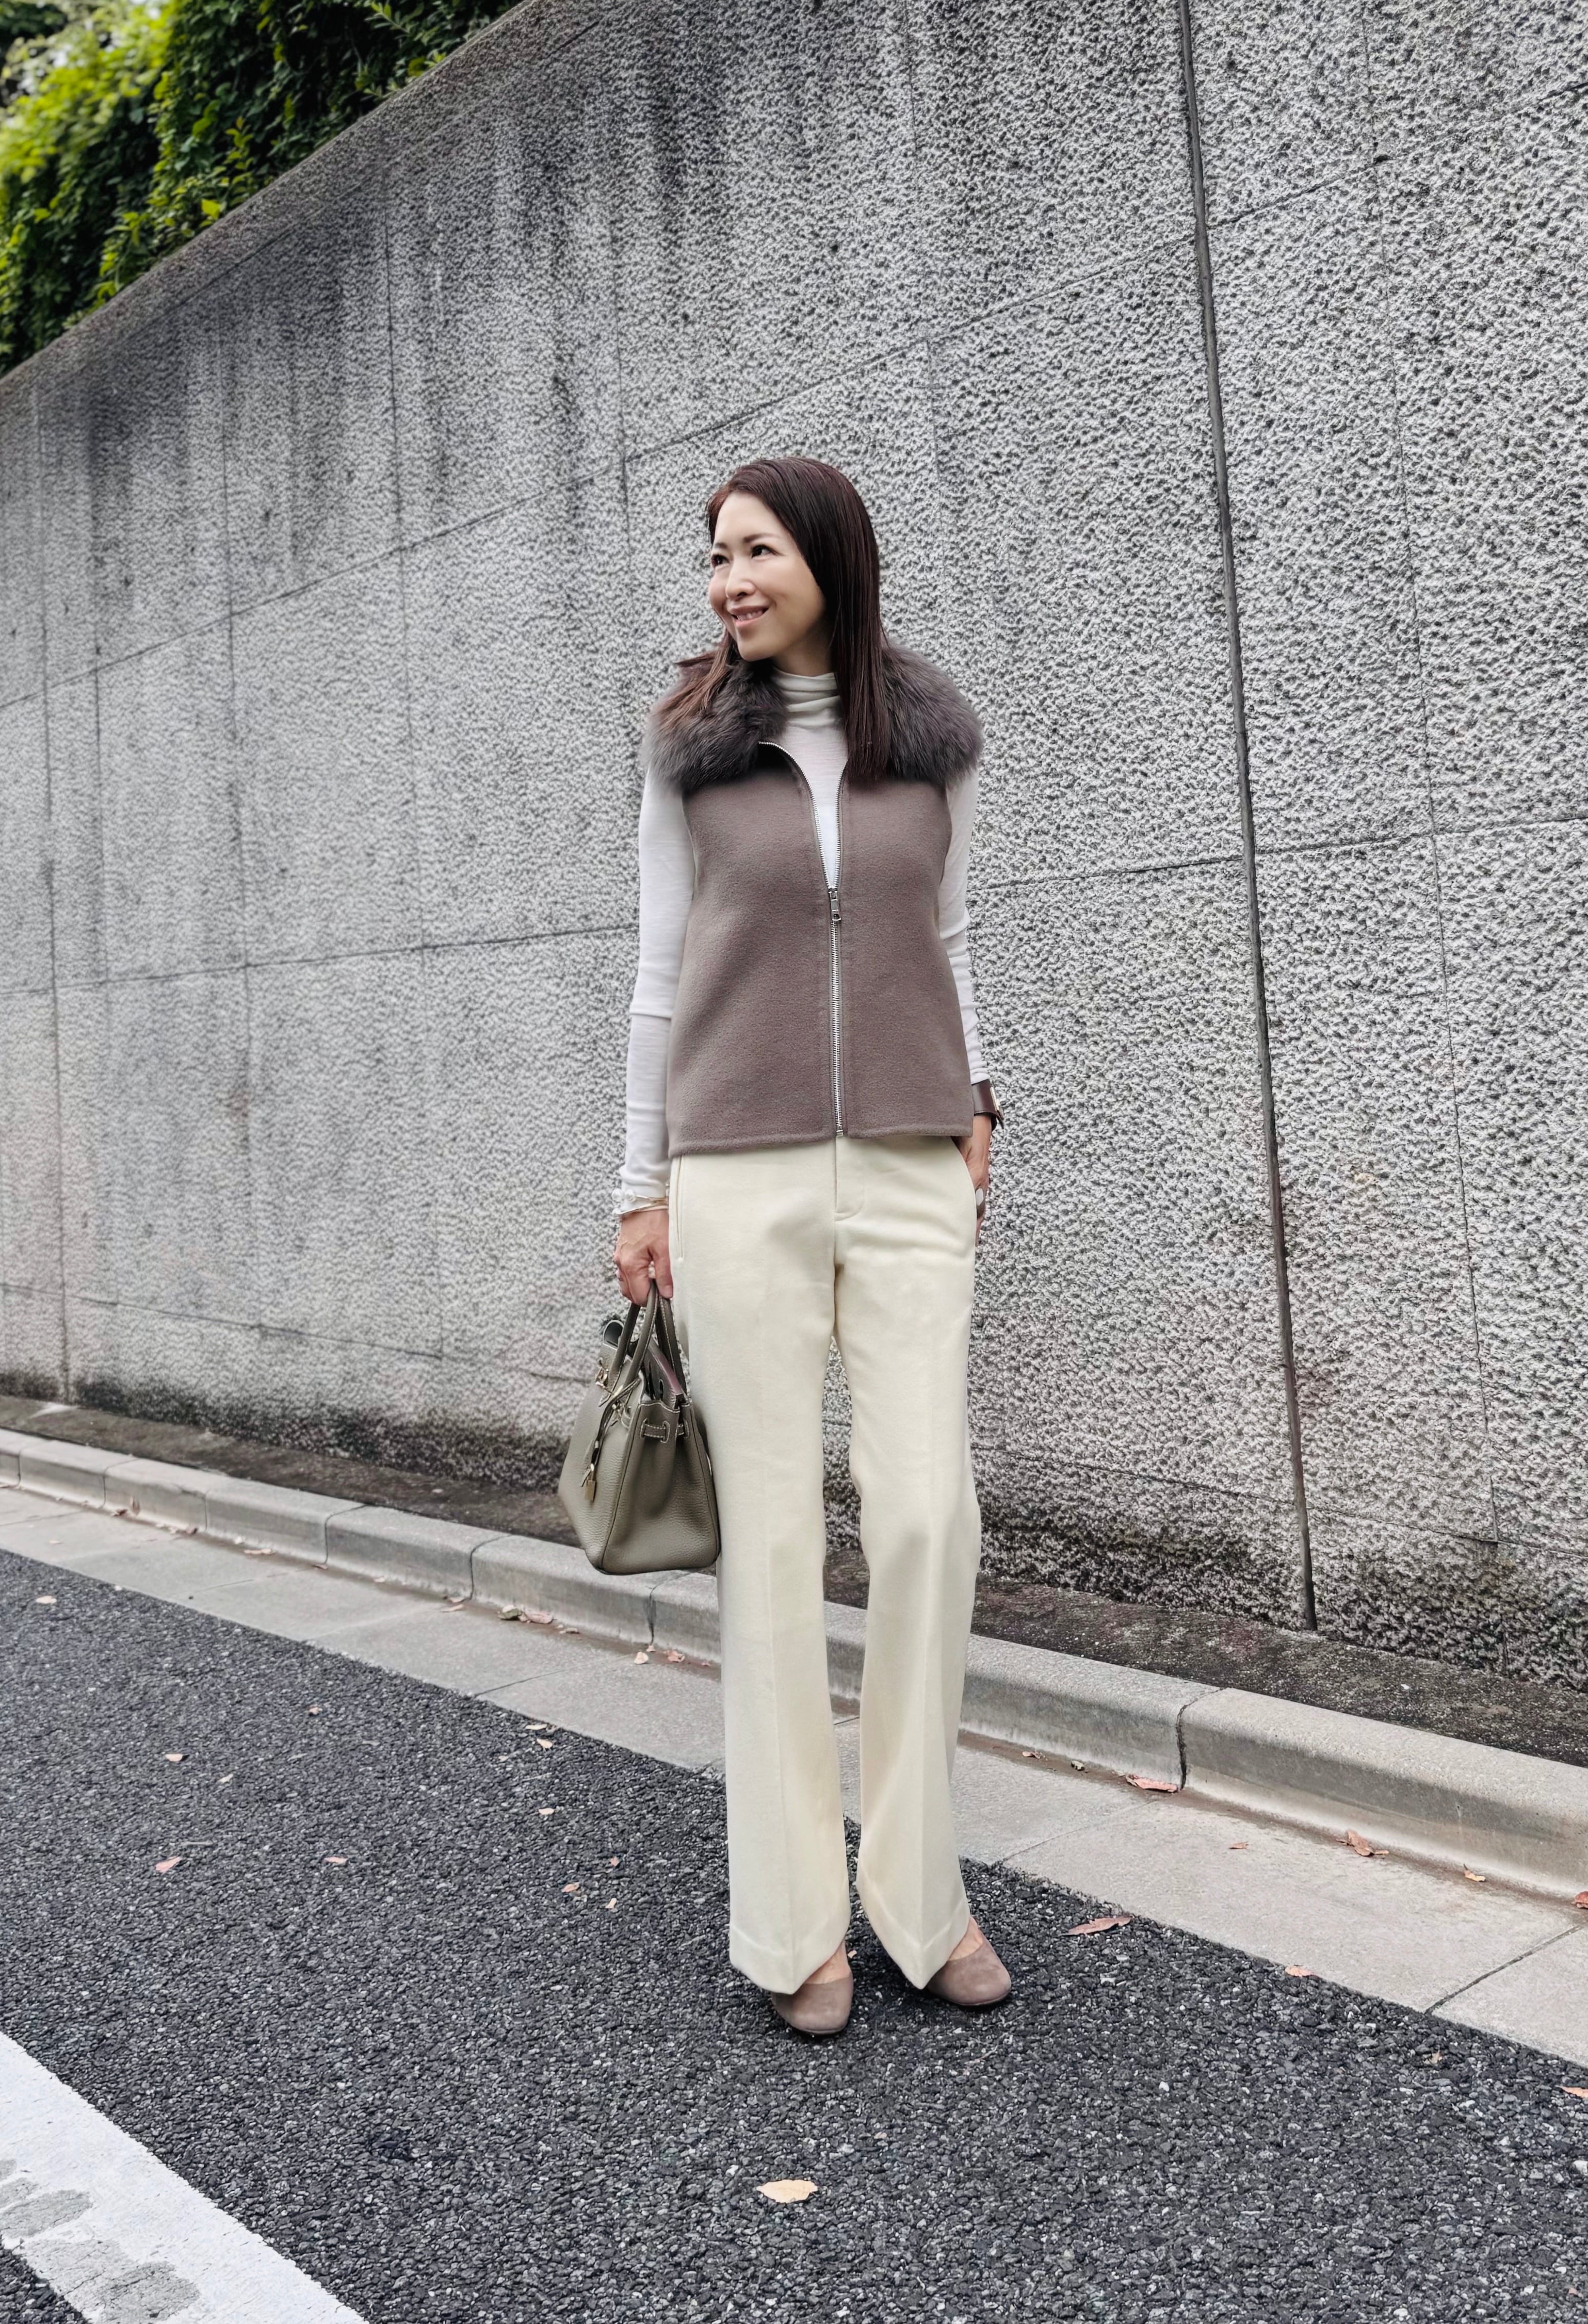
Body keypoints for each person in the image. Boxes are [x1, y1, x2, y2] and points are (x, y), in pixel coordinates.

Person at [612, 455, 1008, 2038]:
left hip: (911, 1159)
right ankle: (793, 1926)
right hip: (738, 1172)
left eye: (757, 549)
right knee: (771, 1546)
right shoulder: (691, 754)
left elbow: (951, 936)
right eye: (716, 556)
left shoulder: (933, 743)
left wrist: (979, 1093)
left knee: (927, 1520)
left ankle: (921, 1895)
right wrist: (637, 1186)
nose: (729, 579)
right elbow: (657, 973)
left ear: (831, 558)